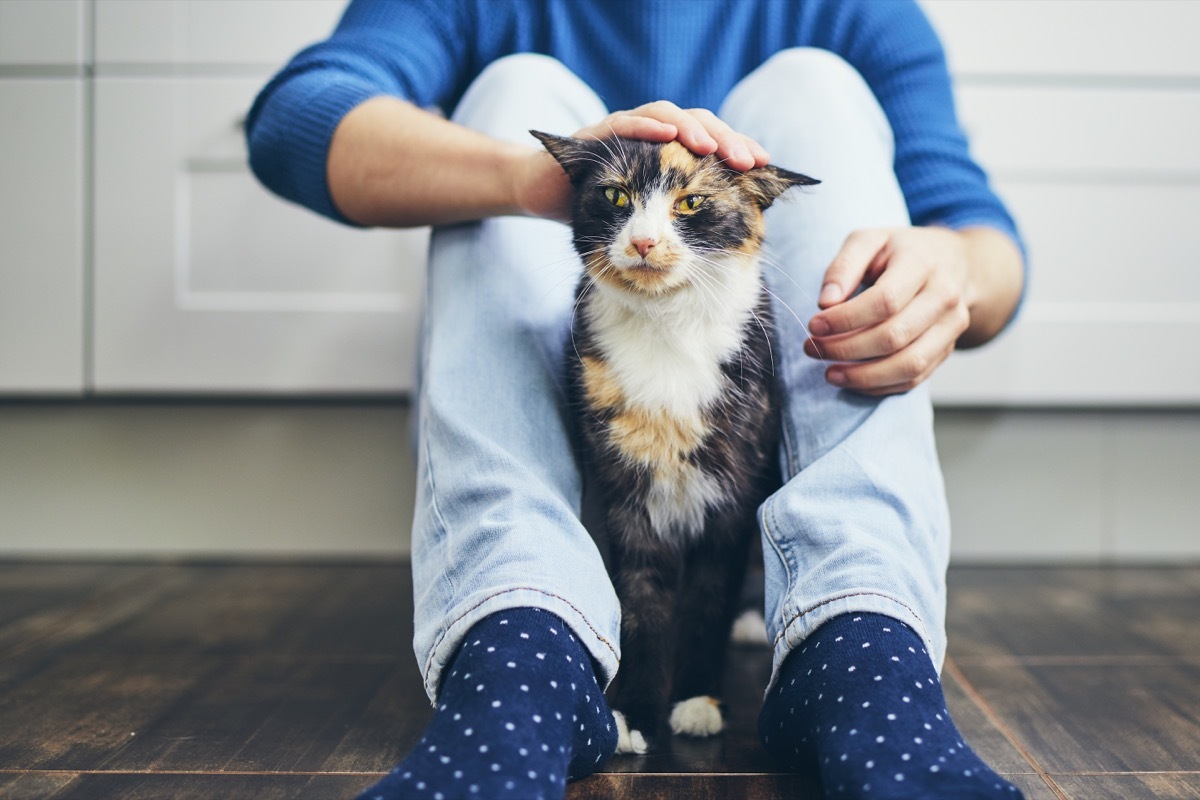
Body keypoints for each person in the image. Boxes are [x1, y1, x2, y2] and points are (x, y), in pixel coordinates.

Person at [246, 2, 1027, 798]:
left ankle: (860, 647)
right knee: (517, 87)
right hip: (584, 480)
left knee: (815, 85)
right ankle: (520, 648)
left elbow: (984, 233)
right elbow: (291, 120)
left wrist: (954, 267)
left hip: (749, 486)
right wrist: (526, 180)